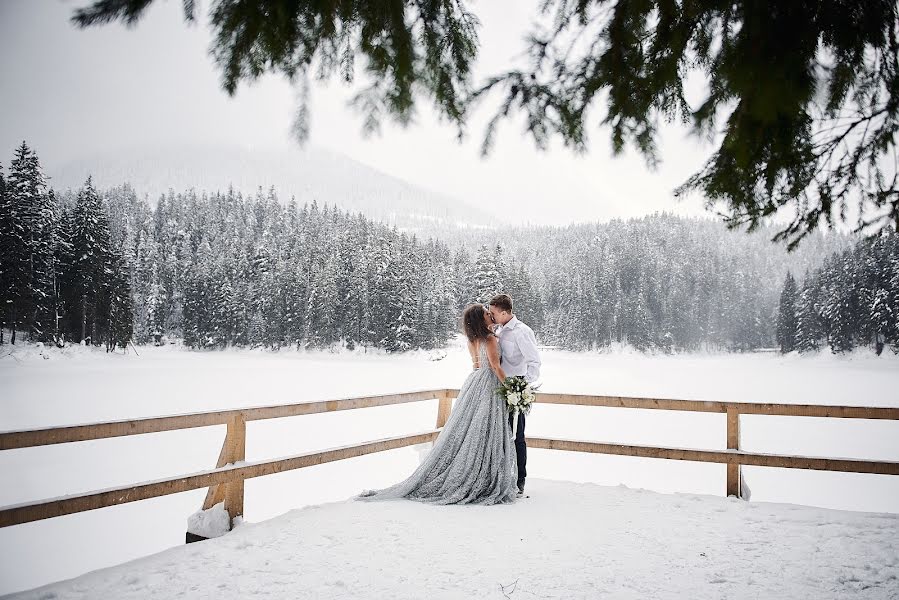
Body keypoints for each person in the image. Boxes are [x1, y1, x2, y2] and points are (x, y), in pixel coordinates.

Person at [358, 304, 518, 505]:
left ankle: (473, 472)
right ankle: (481, 477)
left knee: (471, 429)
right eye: (487, 314)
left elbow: (477, 365)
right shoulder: (490, 339)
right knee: (484, 430)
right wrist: (511, 389)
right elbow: (495, 367)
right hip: (488, 385)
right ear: (481, 319)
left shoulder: (473, 340)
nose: (490, 315)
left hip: (473, 383)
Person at [487, 294, 541, 497]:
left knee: (517, 435)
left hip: (515, 387)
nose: (491, 316)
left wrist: (520, 388)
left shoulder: (522, 332)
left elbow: (534, 363)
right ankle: (500, 476)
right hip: (498, 386)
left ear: (503, 312)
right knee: (499, 434)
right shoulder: (498, 330)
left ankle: (520, 480)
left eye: (493, 312)